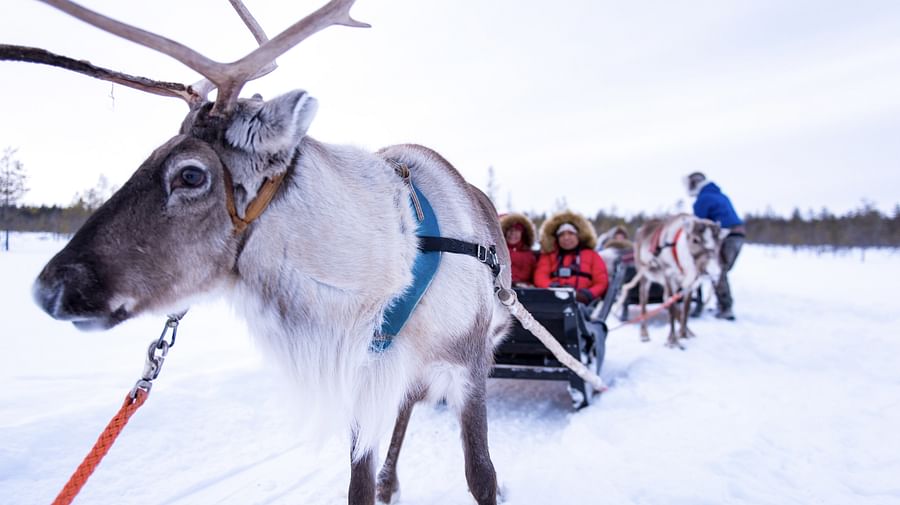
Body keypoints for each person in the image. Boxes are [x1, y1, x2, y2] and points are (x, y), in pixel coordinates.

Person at [685, 172, 745, 320]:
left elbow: (698, 225)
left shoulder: (703, 200)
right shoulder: (719, 195)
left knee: (717, 271)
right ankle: (723, 305)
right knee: (720, 270)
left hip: (726, 237)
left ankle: (725, 308)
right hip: (738, 236)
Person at [534, 210, 609, 304]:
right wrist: (552, 288)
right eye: (562, 234)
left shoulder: (592, 255)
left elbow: (601, 281)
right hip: (553, 300)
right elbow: (540, 277)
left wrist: (588, 294)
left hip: (583, 303)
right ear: (556, 238)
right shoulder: (549, 256)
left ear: (579, 236)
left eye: (570, 233)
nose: (566, 238)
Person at [500, 213, 538, 286]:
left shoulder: (529, 255)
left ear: (523, 234)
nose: (512, 233)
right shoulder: (499, 252)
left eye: (517, 231)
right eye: (510, 230)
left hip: (524, 290)